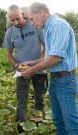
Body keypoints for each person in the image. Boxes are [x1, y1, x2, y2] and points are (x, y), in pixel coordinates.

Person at [21, 2, 78, 135]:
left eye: (31, 18)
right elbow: (50, 56)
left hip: (65, 80)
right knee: (58, 121)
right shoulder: (49, 28)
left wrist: (33, 70)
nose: (32, 23)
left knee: (71, 123)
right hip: (56, 79)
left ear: (41, 12)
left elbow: (56, 58)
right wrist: (32, 63)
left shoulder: (59, 25)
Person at [3, 5, 47, 133]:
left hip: (39, 69)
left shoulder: (35, 25)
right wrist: (17, 65)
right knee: (21, 101)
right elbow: (9, 54)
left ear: (22, 14)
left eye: (17, 18)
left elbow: (46, 47)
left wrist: (38, 63)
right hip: (22, 71)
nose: (16, 23)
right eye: (12, 20)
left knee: (39, 99)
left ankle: (38, 127)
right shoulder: (10, 32)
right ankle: (21, 129)